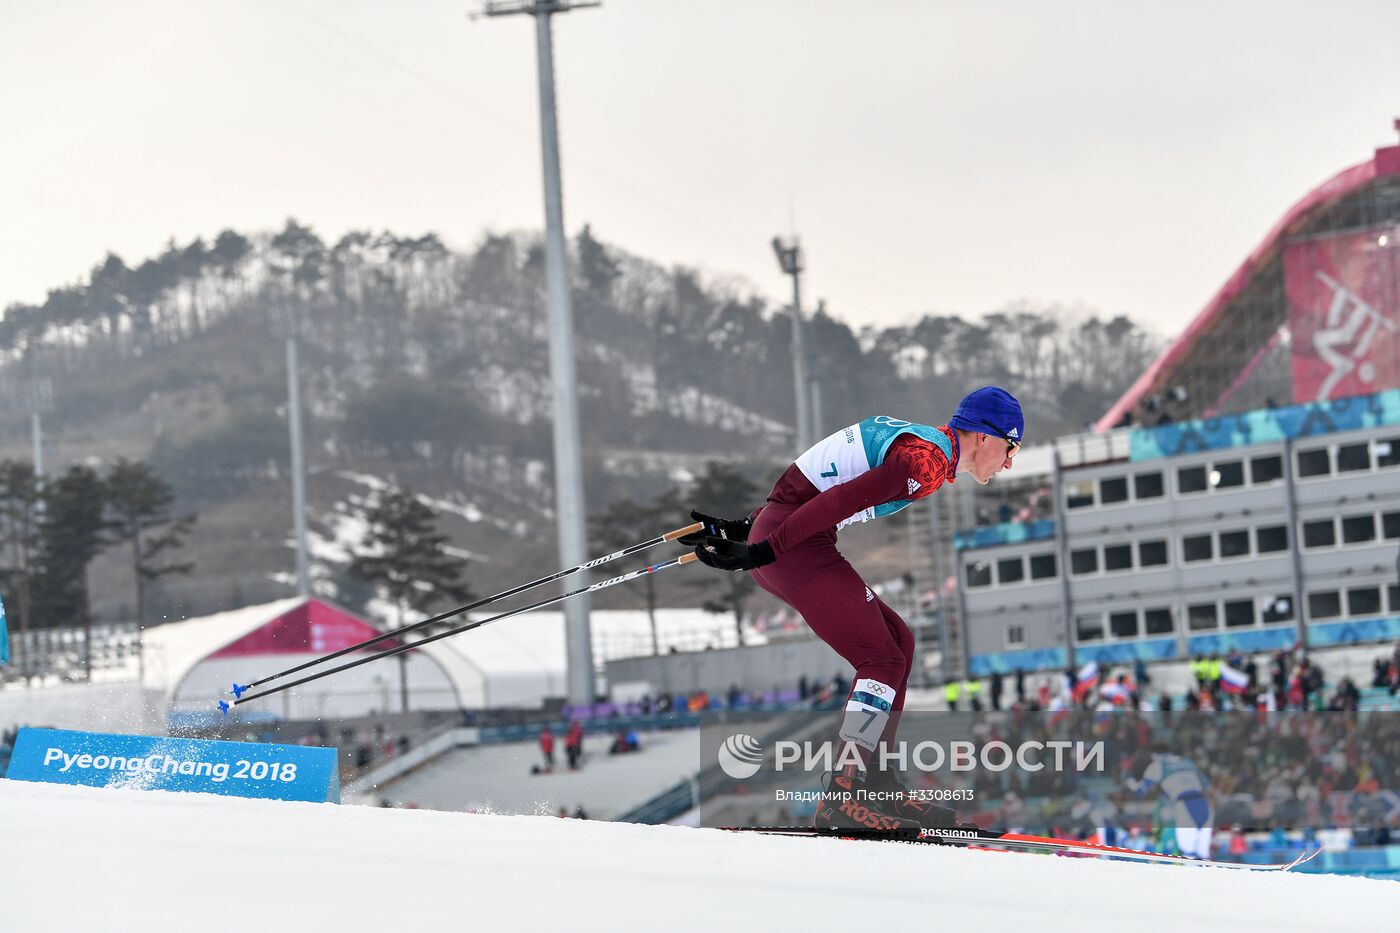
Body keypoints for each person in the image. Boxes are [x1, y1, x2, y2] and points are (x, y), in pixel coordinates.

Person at [685, 387, 1023, 832]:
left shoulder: (926, 445)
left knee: (899, 640)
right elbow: (841, 501)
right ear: (984, 436)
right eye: (1011, 447)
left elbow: (815, 483)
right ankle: (844, 791)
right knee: (880, 658)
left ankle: (879, 786)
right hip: (794, 545)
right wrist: (764, 548)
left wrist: (751, 528)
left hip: (785, 534)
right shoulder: (925, 463)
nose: (1010, 462)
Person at [1129, 742, 1214, 860]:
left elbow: (1140, 791)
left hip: (1184, 804)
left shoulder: (1158, 765)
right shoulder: (1186, 761)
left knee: (1188, 853)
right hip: (1203, 803)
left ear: (1154, 755)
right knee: (1203, 854)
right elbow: (1207, 786)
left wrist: (1130, 781)